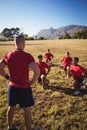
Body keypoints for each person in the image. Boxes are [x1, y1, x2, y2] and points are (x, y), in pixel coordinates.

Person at [0, 35, 40, 130]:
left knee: (11, 107)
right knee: (27, 110)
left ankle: (9, 127)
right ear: (22, 43)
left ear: (15, 43)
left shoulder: (8, 54)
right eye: (25, 43)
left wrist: (7, 77)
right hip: (24, 88)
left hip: (12, 87)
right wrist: (32, 82)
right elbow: (37, 71)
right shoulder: (27, 56)